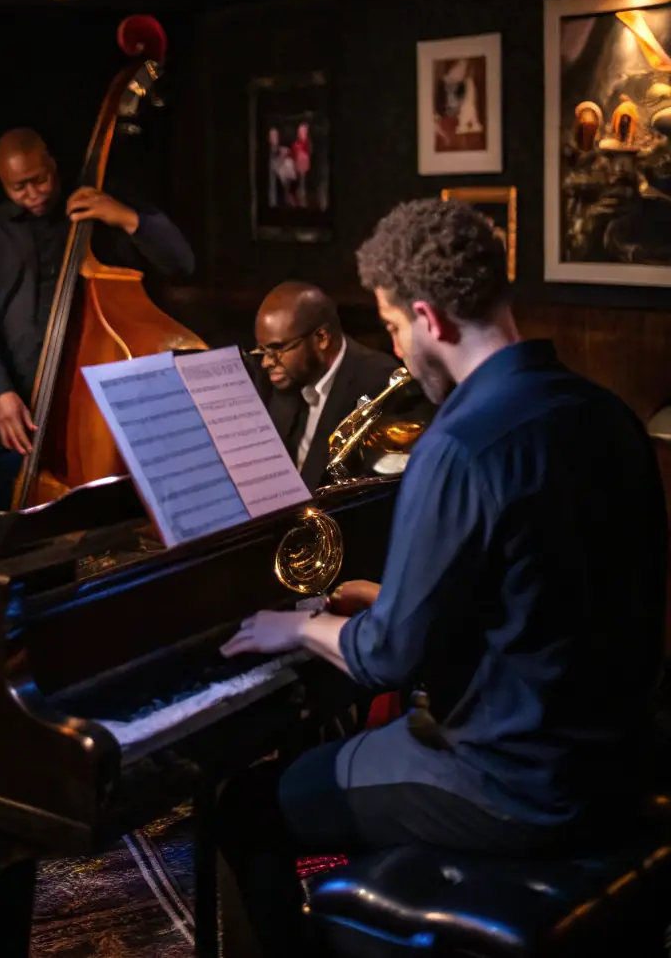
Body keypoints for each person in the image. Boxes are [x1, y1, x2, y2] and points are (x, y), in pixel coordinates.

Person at [217, 198, 667, 958]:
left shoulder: (457, 445)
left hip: (512, 787)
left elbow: (387, 659)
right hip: (621, 760)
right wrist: (393, 604)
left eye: (393, 327)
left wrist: (296, 624)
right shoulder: (606, 414)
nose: (396, 350)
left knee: (245, 806)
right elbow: (544, 598)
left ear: (429, 317)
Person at [0, 127, 194, 499]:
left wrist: (126, 217)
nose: (32, 193)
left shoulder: (96, 210)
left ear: (52, 164)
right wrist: (1, 391)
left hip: (87, 403)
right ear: (2, 183)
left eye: (39, 179)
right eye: (18, 187)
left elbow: (182, 262)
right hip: (13, 402)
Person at [251, 281, 399, 490]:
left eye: (277, 348)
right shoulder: (284, 377)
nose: (266, 362)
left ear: (321, 338)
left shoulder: (381, 386)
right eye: (263, 350)